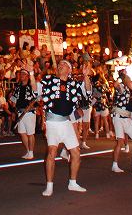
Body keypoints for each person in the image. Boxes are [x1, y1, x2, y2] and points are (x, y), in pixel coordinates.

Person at [37, 58, 92, 197]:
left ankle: (73, 183)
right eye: (59, 64)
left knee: (76, 153)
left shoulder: (74, 84)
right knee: (51, 152)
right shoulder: (49, 80)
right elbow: (36, 90)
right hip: (52, 122)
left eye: (64, 64)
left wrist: (86, 76)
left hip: (66, 122)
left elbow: (87, 91)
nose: (60, 66)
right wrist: (32, 74)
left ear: (69, 70)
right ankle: (49, 186)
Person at [9, 67, 39, 159]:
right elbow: (13, 100)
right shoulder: (17, 87)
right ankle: (28, 151)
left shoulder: (31, 87)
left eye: (23, 74)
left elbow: (36, 98)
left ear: (27, 76)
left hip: (29, 113)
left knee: (30, 133)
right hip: (20, 112)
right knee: (22, 133)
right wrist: (13, 110)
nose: (21, 75)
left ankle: (31, 152)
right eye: (21, 74)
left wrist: (30, 106)